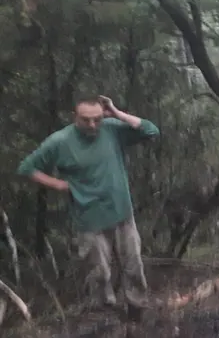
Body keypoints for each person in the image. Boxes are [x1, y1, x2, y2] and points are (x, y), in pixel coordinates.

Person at [18, 96, 161, 310]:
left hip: (121, 212)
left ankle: (138, 308)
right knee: (99, 273)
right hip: (89, 218)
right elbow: (27, 168)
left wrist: (117, 113)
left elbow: (150, 130)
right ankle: (105, 313)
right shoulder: (60, 141)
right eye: (86, 120)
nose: (92, 125)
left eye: (97, 119)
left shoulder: (112, 129)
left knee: (133, 266)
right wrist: (58, 184)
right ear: (74, 116)